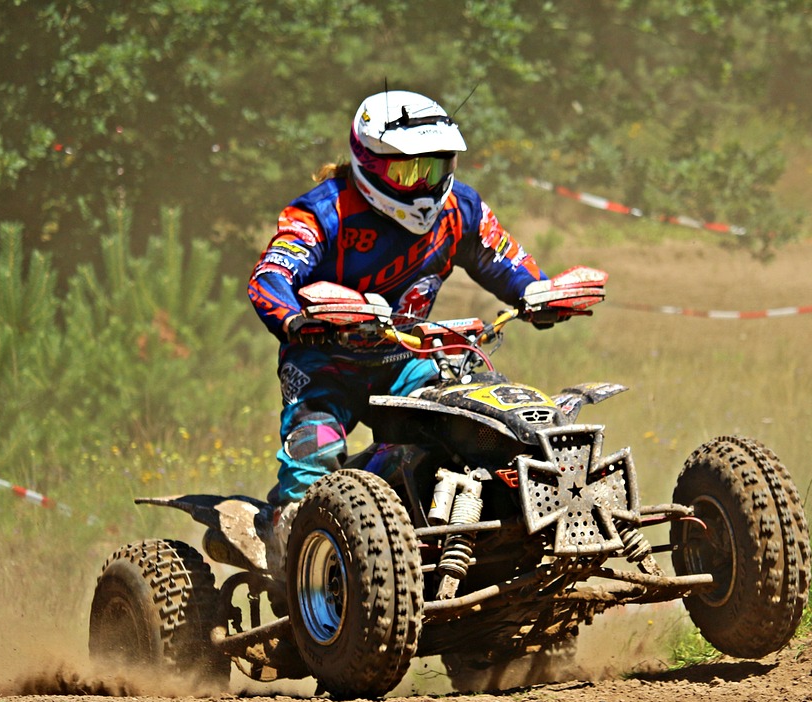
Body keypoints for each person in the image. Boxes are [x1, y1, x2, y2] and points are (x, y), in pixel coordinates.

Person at [247, 89, 603, 517]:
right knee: (313, 463)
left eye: (435, 168)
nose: (424, 185)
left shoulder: (461, 208)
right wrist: (295, 319)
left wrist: (539, 294)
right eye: (409, 170)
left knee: (472, 429)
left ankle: (490, 521)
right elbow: (271, 276)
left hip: (409, 357)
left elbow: (505, 262)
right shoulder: (324, 211)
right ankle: (292, 542)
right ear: (370, 164)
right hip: (325, 362)